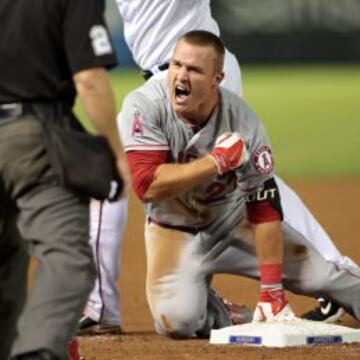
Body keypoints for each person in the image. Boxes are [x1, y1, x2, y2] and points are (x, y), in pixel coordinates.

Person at [118, 30, 360, 338]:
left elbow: (264, 207)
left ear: (217, 79)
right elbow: (146, 185)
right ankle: (224, 313)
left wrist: (271, 288)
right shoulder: (145, 107)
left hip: (231, 222)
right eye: (176, 65)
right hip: (171, 232)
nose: (180, 75)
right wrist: (215, 162)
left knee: (321, 276)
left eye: (194, 69)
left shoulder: (243, 122)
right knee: (177, 323)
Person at [0, 0, 124, 359]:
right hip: (33, 137)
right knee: (67, 258)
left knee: (7, 259)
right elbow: (89, 79)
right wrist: (116, 151)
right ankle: (35, 352)